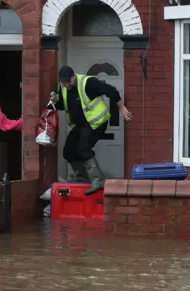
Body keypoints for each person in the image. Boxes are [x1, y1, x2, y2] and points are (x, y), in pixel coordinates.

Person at [49, 65, 133, 195]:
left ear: (73, 76)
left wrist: (121, 106)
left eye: (68, 82)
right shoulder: (65, 89)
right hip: (82, 125)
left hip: (98, 123)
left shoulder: (88, 83)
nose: (66, 85)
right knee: (69, 151)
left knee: (83, 148)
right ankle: (83, 179)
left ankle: (98, 180)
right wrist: (55, 101)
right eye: (64, 83)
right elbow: (63, 105)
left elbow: (111, 90)